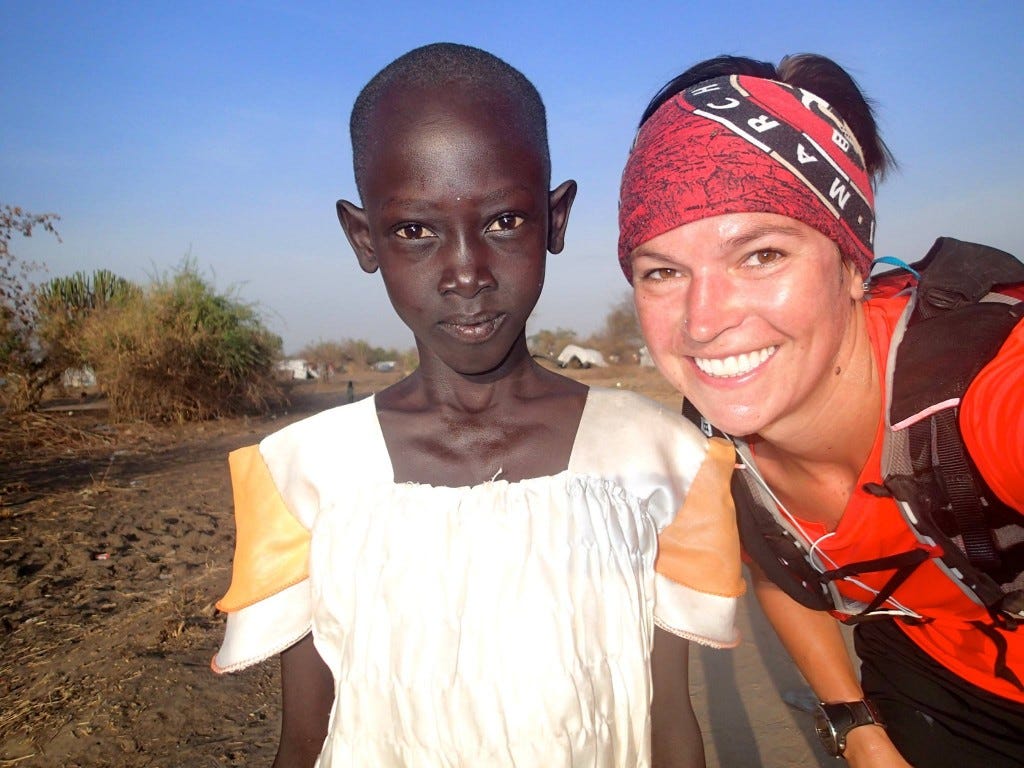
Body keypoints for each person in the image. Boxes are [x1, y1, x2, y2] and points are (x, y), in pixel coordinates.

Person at [212, 43, 745, 768]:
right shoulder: (305, 476)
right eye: (415, 230)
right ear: (364, 239)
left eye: (504, 222)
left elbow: (668, 723)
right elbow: (304, 740)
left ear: (555, 220)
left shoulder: (657, 459)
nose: (466, 273)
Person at [617, 54, 1024, 767]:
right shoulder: (712, 439)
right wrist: (855, 726)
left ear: (852, 263)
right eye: (663, 271)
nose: (703, 321)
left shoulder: (984, 391)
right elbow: (778, 563)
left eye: (761, 255)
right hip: (930, 675)